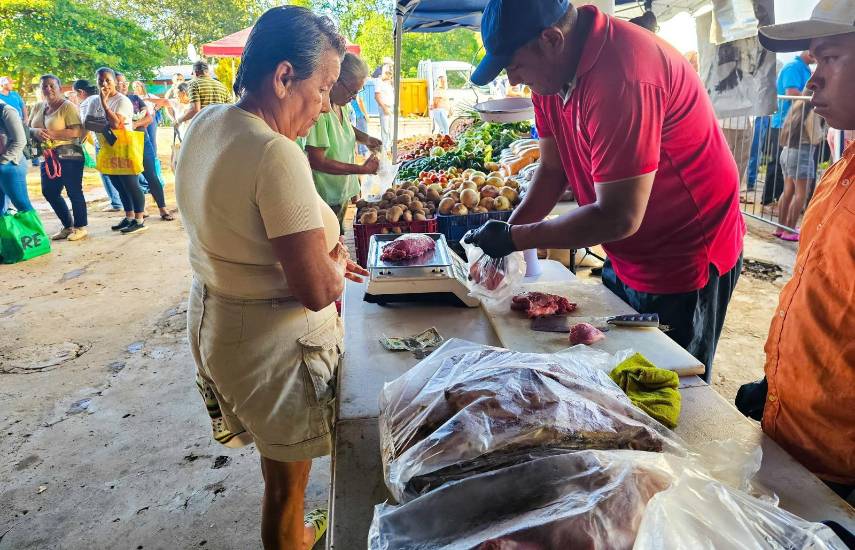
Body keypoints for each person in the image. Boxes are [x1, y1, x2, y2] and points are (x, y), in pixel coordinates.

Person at [465, 0, 745, 382]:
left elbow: (618, 215)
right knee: (615, 369)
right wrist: (506, 237)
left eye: (514, 65)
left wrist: (516, 238)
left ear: (550, 39)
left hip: (683, 251)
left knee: (664, 386)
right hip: (627, 245)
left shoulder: (623, 73)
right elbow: (552, 169)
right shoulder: (549, 78)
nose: (513, 80)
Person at [175, 7, 368, 549]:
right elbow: (318, 290)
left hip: (218, 320)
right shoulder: (274, 151)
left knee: (278, 466)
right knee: (286, 488)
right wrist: (330, 259)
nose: (327, 103)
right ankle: (294, 539)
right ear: (284, 77)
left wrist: (323, 255)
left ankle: (300, 534)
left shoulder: (208, 123)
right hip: (271, 346)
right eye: (324, 86)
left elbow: (241, 232)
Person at [751, 1, 855, 500]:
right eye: (811, 63)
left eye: (828, 58)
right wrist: (776, 386)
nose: (811, 82)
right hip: (797, 436)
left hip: (842, 467)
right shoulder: (843, 166)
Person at [305, 53, 381, 231]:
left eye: (357, 91)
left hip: (341, 193)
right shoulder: (320, 112)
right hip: (324, 198)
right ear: (336, 82)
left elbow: (345, 129)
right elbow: (317, 161)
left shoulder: (340, 104)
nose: (354, 97)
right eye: (352, 91)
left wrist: (366, 139)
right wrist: (361, 170)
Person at [87, 67, 148, 234]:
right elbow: (88, 123)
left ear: (114, 81)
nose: (104, 84)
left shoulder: (122, 101)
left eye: (108, 80)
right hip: (106, 147)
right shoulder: (93, 101)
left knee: (131, 184)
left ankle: (139, 219)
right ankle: (128, 217)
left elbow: (116, 124)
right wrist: (103, 121)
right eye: (101, 81)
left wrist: (105, 105)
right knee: (118, 185)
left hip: (124, 147)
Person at [29, 75, 88, 241]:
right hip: (47, 155)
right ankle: (67, 225)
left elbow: (77, 131)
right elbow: (28, 127)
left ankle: (80, 227)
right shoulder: (38, 106)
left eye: (51, 86)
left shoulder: (68, 107)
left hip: (69, 154)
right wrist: (35, 132)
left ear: (59, 88)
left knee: (73, 190)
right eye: (44, 87)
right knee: (49, 191)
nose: (48, 89)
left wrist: (50, 134)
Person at [116, 74, 174, 221]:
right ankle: (139, 211)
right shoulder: (112, 102)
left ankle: (162, 208)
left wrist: (134, 124)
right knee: (131, 180)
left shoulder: (135, 99)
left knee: (151, 175)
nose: (123, 85)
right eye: (119, 82)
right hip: (122, 145)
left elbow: (149, 118)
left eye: (124, 82)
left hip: (142, 141)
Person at [763, 50, 815, 205]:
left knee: (786, 167)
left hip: (796, 124)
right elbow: (791, 92)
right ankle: (768, 200)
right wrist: (814, 100)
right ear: (807, 51)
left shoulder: (804, 68)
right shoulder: (793, 67)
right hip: (785, 123)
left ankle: (781, 204)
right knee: (778, 164)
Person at [775, 87, 824, 241]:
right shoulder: (812, 111)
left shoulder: (797, 106)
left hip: (787, 152)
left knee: (787, 190)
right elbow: (815, 136)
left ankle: (781, 227)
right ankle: (789, 230)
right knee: (801, 194)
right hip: (801, 154)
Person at [75, 79, 123, 212]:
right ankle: (122, 201)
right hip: (116, 138)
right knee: (120, 170)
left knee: (106, 171)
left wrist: (79, 141)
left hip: (101, 141)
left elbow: (86, 125)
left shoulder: (86, 102)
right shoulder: (100, 97)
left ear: (81, 92)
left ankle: (116, 202)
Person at [0, 102, 33, 215]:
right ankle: (5, 232)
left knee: (22, 205)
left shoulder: (7, 110)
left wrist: (2, 161)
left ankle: (36, 233)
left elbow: (20, 141)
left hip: (11, 165)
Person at [176, 61, 231, 126]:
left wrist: (178, 120)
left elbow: (195, 110)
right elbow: (229, 109)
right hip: (220, 127)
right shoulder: (222, 86)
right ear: (208, 72)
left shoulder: (194, 84)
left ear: (195, 73)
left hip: (203, 128)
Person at [132, 81, 162, 157]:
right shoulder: (133, 98)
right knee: (141, 139)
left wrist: (155, 110)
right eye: (134, 87)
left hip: (151, 119)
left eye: (137, 86)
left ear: (142, 87)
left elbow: (160, 102)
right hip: (140, 121)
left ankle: (154, 157)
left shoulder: (149, 96)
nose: (136, 88)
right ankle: (142, 157)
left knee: (152, 138)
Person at [374, 64, 394, 153]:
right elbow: (377, 96)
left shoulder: (388, 82)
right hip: (384, 107)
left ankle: (390, 148)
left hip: (391, 107)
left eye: (390, 73)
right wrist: (384, 108)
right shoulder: (379, 81)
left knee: (391, 129)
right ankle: (385, 150)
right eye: (387, 73)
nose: (389, 75)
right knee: (385, 129)